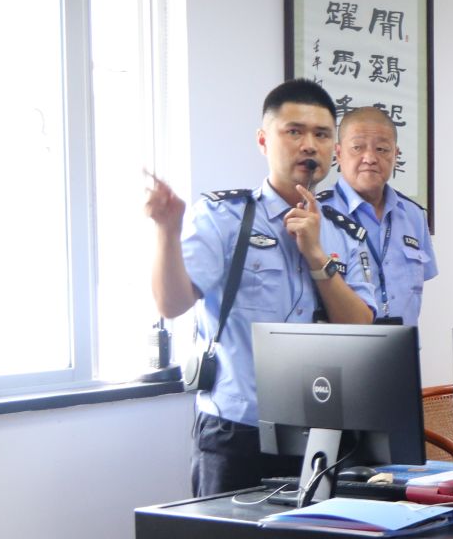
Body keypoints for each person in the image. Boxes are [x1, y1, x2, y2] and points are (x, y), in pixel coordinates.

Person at [145, 79, 374, 497]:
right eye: (294, 131)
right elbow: (171, 303)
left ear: (334, 149)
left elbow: (361, 327)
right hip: (236, 431)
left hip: (323, 431)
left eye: (322, 135)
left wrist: (316, 256)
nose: (309, 145)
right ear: (263, 141)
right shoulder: (223, 217)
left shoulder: (345, 233)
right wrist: (167, 230)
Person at [326, 105, 437, 324]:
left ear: (396, 154)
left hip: (403, 343)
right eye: (357, 147)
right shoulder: (318, 214)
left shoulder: (413, 215)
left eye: (382, 149)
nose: (370, 158)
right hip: (343, 345)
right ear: (338, 153)